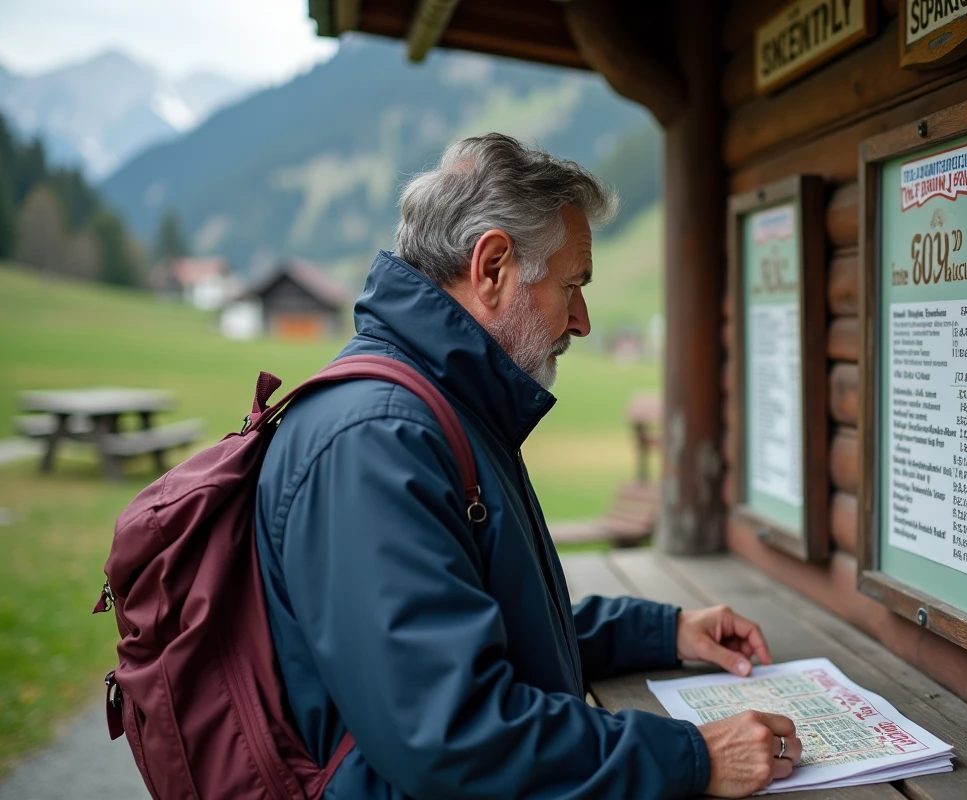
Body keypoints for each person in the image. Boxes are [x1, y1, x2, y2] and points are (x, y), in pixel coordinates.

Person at [255, 133, 802, 799]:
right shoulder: (378, 440)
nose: (583, 320)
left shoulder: (440, 405)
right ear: (491, 268)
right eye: (570, 285)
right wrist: (693, 757)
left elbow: (488, 623)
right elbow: (452, 734)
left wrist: (663, 632)